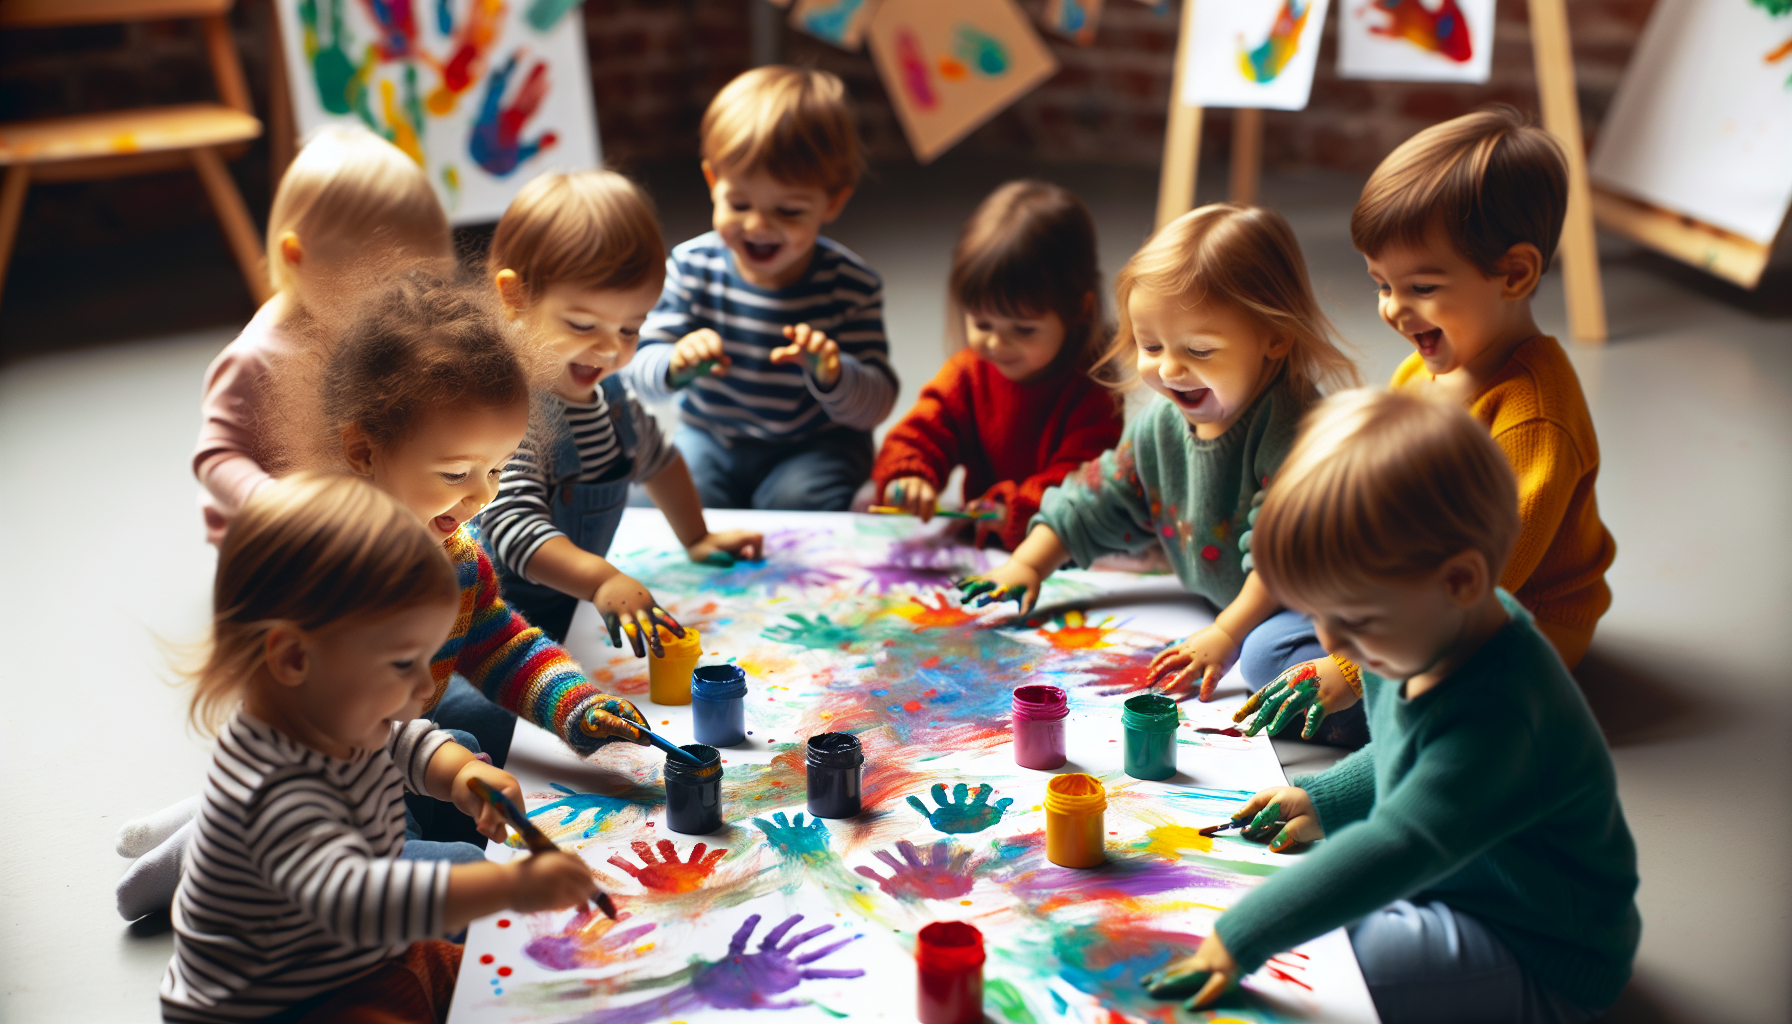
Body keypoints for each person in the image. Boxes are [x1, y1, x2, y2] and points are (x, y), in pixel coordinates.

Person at [1141, 389, 1639, 1024]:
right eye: (1318, 615)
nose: (1330, 643)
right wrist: (1328, 798)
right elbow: (1409, 750)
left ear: (1458, 581)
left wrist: (1237, 939)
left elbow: (1402, 839)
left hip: (1537, 952)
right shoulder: (1428, 632)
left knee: (1325, 963)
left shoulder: (1501, 714)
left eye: (1353, 618)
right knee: (1309, 891)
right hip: (1454, 878)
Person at [160, 473, 599, 1024]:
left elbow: (400, 741)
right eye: (401, 664)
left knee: (504, 982)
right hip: (283, 1000)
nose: (424, 687)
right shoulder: (272, 793)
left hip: (361, 957)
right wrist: (507, 883)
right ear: (294, 658)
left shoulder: (327, 716)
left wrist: (461, 773)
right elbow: (360, 902)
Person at [1237, 106, 1616, 739]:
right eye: (1381, 283)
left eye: (1420, 287)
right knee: (1266, 646)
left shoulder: (1534, 420)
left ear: (1514, 273)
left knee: (1308, 679)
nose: (1391, 309)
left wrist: (1351, 670)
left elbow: (1487, 586)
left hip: (1513, 624)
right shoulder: (1426, 369)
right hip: (1417, 588)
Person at [959, 204, 1361, 731]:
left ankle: (1395, 712)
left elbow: (1280, 556)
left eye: (1198, 348)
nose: (1170, 369)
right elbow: (1098, 496)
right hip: (1246, 597)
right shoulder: (1162, 425)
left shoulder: (1297, 428)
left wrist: (1227, 631)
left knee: (1265, 660)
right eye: (1151, 346)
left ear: (1274, 338)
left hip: (1333, 603)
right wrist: (1028, 565)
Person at [480, 169, 762, 643]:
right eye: (584, 325)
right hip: (497, 625)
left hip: (572, 608)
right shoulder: (510, 414)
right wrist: (602, 580)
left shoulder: (611, 400)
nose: (611, 350)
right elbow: (515, 530)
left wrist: (696, 537)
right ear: (516, 297)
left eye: (631, 329)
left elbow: (661, 461)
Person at [623, 66, 897, 511]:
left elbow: (876, 405)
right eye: (739, 203)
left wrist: (833, 373)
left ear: (833, 202)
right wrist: (675, 363)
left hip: (812, 445)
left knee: (799, 503)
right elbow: (637, 371)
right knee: (663, 500)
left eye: (788, 211)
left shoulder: (851, 284)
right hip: (711, 437)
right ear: (714, 183)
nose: (758, 226)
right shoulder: (693, 267)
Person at [192, 125, 450, 544]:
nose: (396, 304)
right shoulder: (257, 359)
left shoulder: (368, 331)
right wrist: (279, 505)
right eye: (377, 284)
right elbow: (217, 457)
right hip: (279, 539)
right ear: (297, 256)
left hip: (355, 514)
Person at [871, 180, 1123, 550]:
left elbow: (1081, 483)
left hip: (1060, 552)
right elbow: (922, 431)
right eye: (982, 323)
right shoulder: (969, 373)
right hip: (981, 554)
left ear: (1078, 311)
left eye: (1023, 329)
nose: (996, 343)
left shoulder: (1093, 392)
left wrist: (1017, 509)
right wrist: (909, 476)